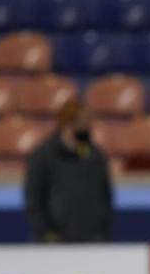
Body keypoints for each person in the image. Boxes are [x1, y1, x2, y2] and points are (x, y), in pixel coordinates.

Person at [24, 100, 112, 242]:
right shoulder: (43, 155)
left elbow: (105, 196)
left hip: (91, 241)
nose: (88, 125)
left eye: (89, 120)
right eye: (84, 120)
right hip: (55, 241)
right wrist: (45, 232)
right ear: (68, 122)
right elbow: (33, 197)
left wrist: (101, 232)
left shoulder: (94, 155)